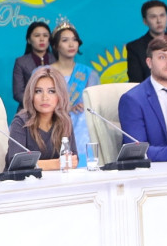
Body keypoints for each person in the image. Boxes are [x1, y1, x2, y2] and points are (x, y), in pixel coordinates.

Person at [7, 66, 78, 171]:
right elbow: (16, 163)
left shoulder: (64, 120)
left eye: (51, 91)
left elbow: (73, 159)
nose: (45, 97)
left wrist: (66, 162)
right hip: (24, 181)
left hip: (55, 180)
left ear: (60, 95)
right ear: (31, 95)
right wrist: (57, 164)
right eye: (38, 91)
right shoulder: (20, 122)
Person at [49, 19, 98, 161]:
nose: (71, 44)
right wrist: (66, 108)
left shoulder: (89, 73)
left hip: (81, 125)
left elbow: (94, 105)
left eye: (74, 40)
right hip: (53, 122)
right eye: (65, 40)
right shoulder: (44, 72)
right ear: (55, 45)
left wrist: (84, 105)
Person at [125, 0, 167, 83]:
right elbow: (136, 82)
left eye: (162, 15)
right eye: (153, 17)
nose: (159, 21)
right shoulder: (135, 47)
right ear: (145, 21)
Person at [11, 21, 52, 107]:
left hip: (53, 108)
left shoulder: (57, 60)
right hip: (28, 109)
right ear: (29, 40)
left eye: (45, 35)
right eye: (37, 35)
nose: (42, 39)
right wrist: (36, 102)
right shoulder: (21, 62)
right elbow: (18, 93)